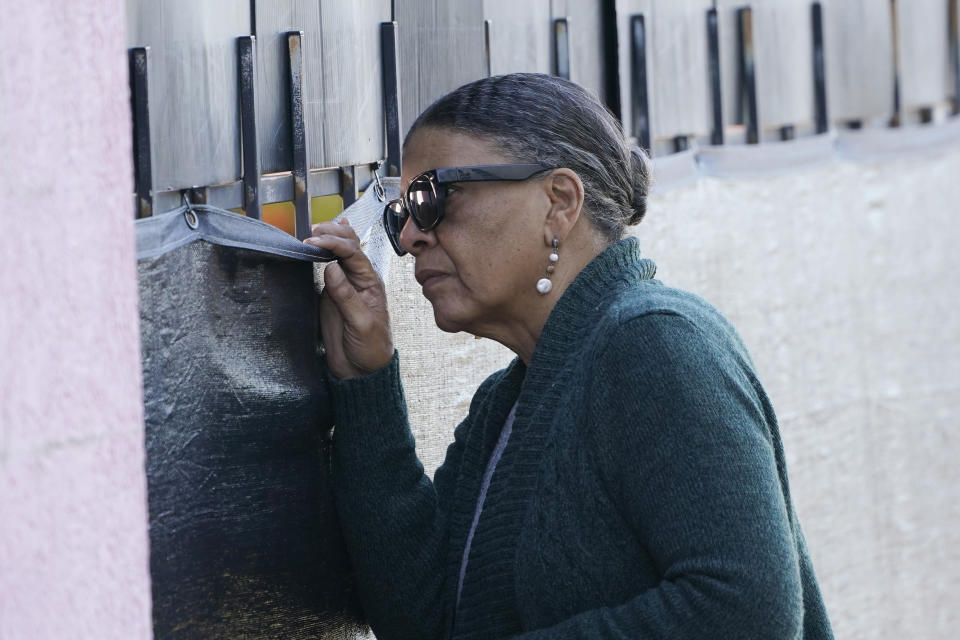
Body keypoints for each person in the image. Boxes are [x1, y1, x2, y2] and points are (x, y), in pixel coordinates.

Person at [304, 73, 834, 640]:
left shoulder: (656, 343)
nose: (410, 236)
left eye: (434, 198)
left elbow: (746, 616)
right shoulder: (505, 404)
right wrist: (367, 382)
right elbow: (424, 621)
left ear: (559, 202)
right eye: (402, 212)